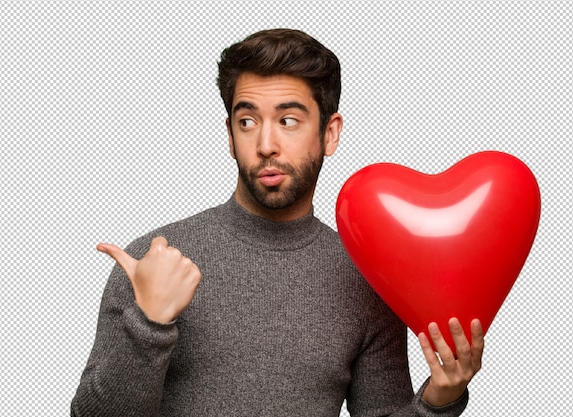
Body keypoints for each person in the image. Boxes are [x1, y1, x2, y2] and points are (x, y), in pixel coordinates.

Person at [71, 28, 483, 416]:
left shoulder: (365, 275)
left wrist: (438, 400)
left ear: (330, 133)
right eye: (247, 122)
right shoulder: (155, 261)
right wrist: (150, 322)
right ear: (230, 137)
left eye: (288, 121)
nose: (266, 145)